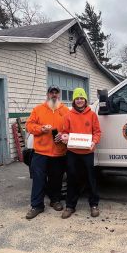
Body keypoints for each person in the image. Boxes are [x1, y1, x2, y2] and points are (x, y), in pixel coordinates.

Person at [25, 85, 69, 219]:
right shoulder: (38, 109)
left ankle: (55, 200)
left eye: (56, 92)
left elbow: (70, 129)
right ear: (47, 94)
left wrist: (63, 135)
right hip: (41, 152)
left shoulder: (65, 111)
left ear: (59, 95)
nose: (54, 95)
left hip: (58, 152)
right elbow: (29, 125)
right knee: (38, 179)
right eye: (51, 92)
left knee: (56, 178)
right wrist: (41, 129)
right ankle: (37, 206)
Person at [61, 88, 101, 219]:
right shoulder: (68, 115)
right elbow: (64, 131)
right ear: (74, 100)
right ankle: (70, 206)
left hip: (88, 152)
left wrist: (94, 142)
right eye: (77, 98)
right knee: (72, 178)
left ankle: (94, 205)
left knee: (91, 178)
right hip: (72, 152)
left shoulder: (92, 115)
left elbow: (97, 132)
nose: (79, 100)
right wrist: (64, 137)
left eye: (81, 98)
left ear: (85, 100)